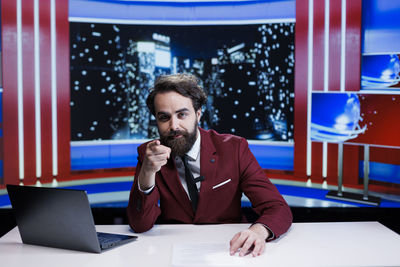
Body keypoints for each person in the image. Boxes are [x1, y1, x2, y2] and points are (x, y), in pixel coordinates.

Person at [127, 73, 292, 257]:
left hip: (229, 249)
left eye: (182, 114)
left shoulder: (234, 148)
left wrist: (257, 232)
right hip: (171, 250)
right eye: (164, 117)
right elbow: (139, 225)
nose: (174, 125)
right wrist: (147, 172)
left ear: (198, 114)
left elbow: (278, 208)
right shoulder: (149, 154)